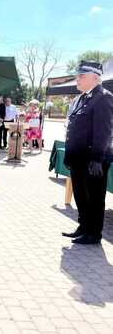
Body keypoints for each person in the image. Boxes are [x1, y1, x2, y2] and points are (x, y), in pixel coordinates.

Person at [62, 61, 113, 244]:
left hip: (93, 160)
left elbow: (104, 132)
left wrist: (97, 159)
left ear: (95, 78)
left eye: (81, 76)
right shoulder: (83, 98)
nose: (78, 79)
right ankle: (83, 227)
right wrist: (70, 155)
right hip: (78, 158)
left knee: (94, 198)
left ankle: (93, 233)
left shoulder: (104, 97)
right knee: (81, 195)